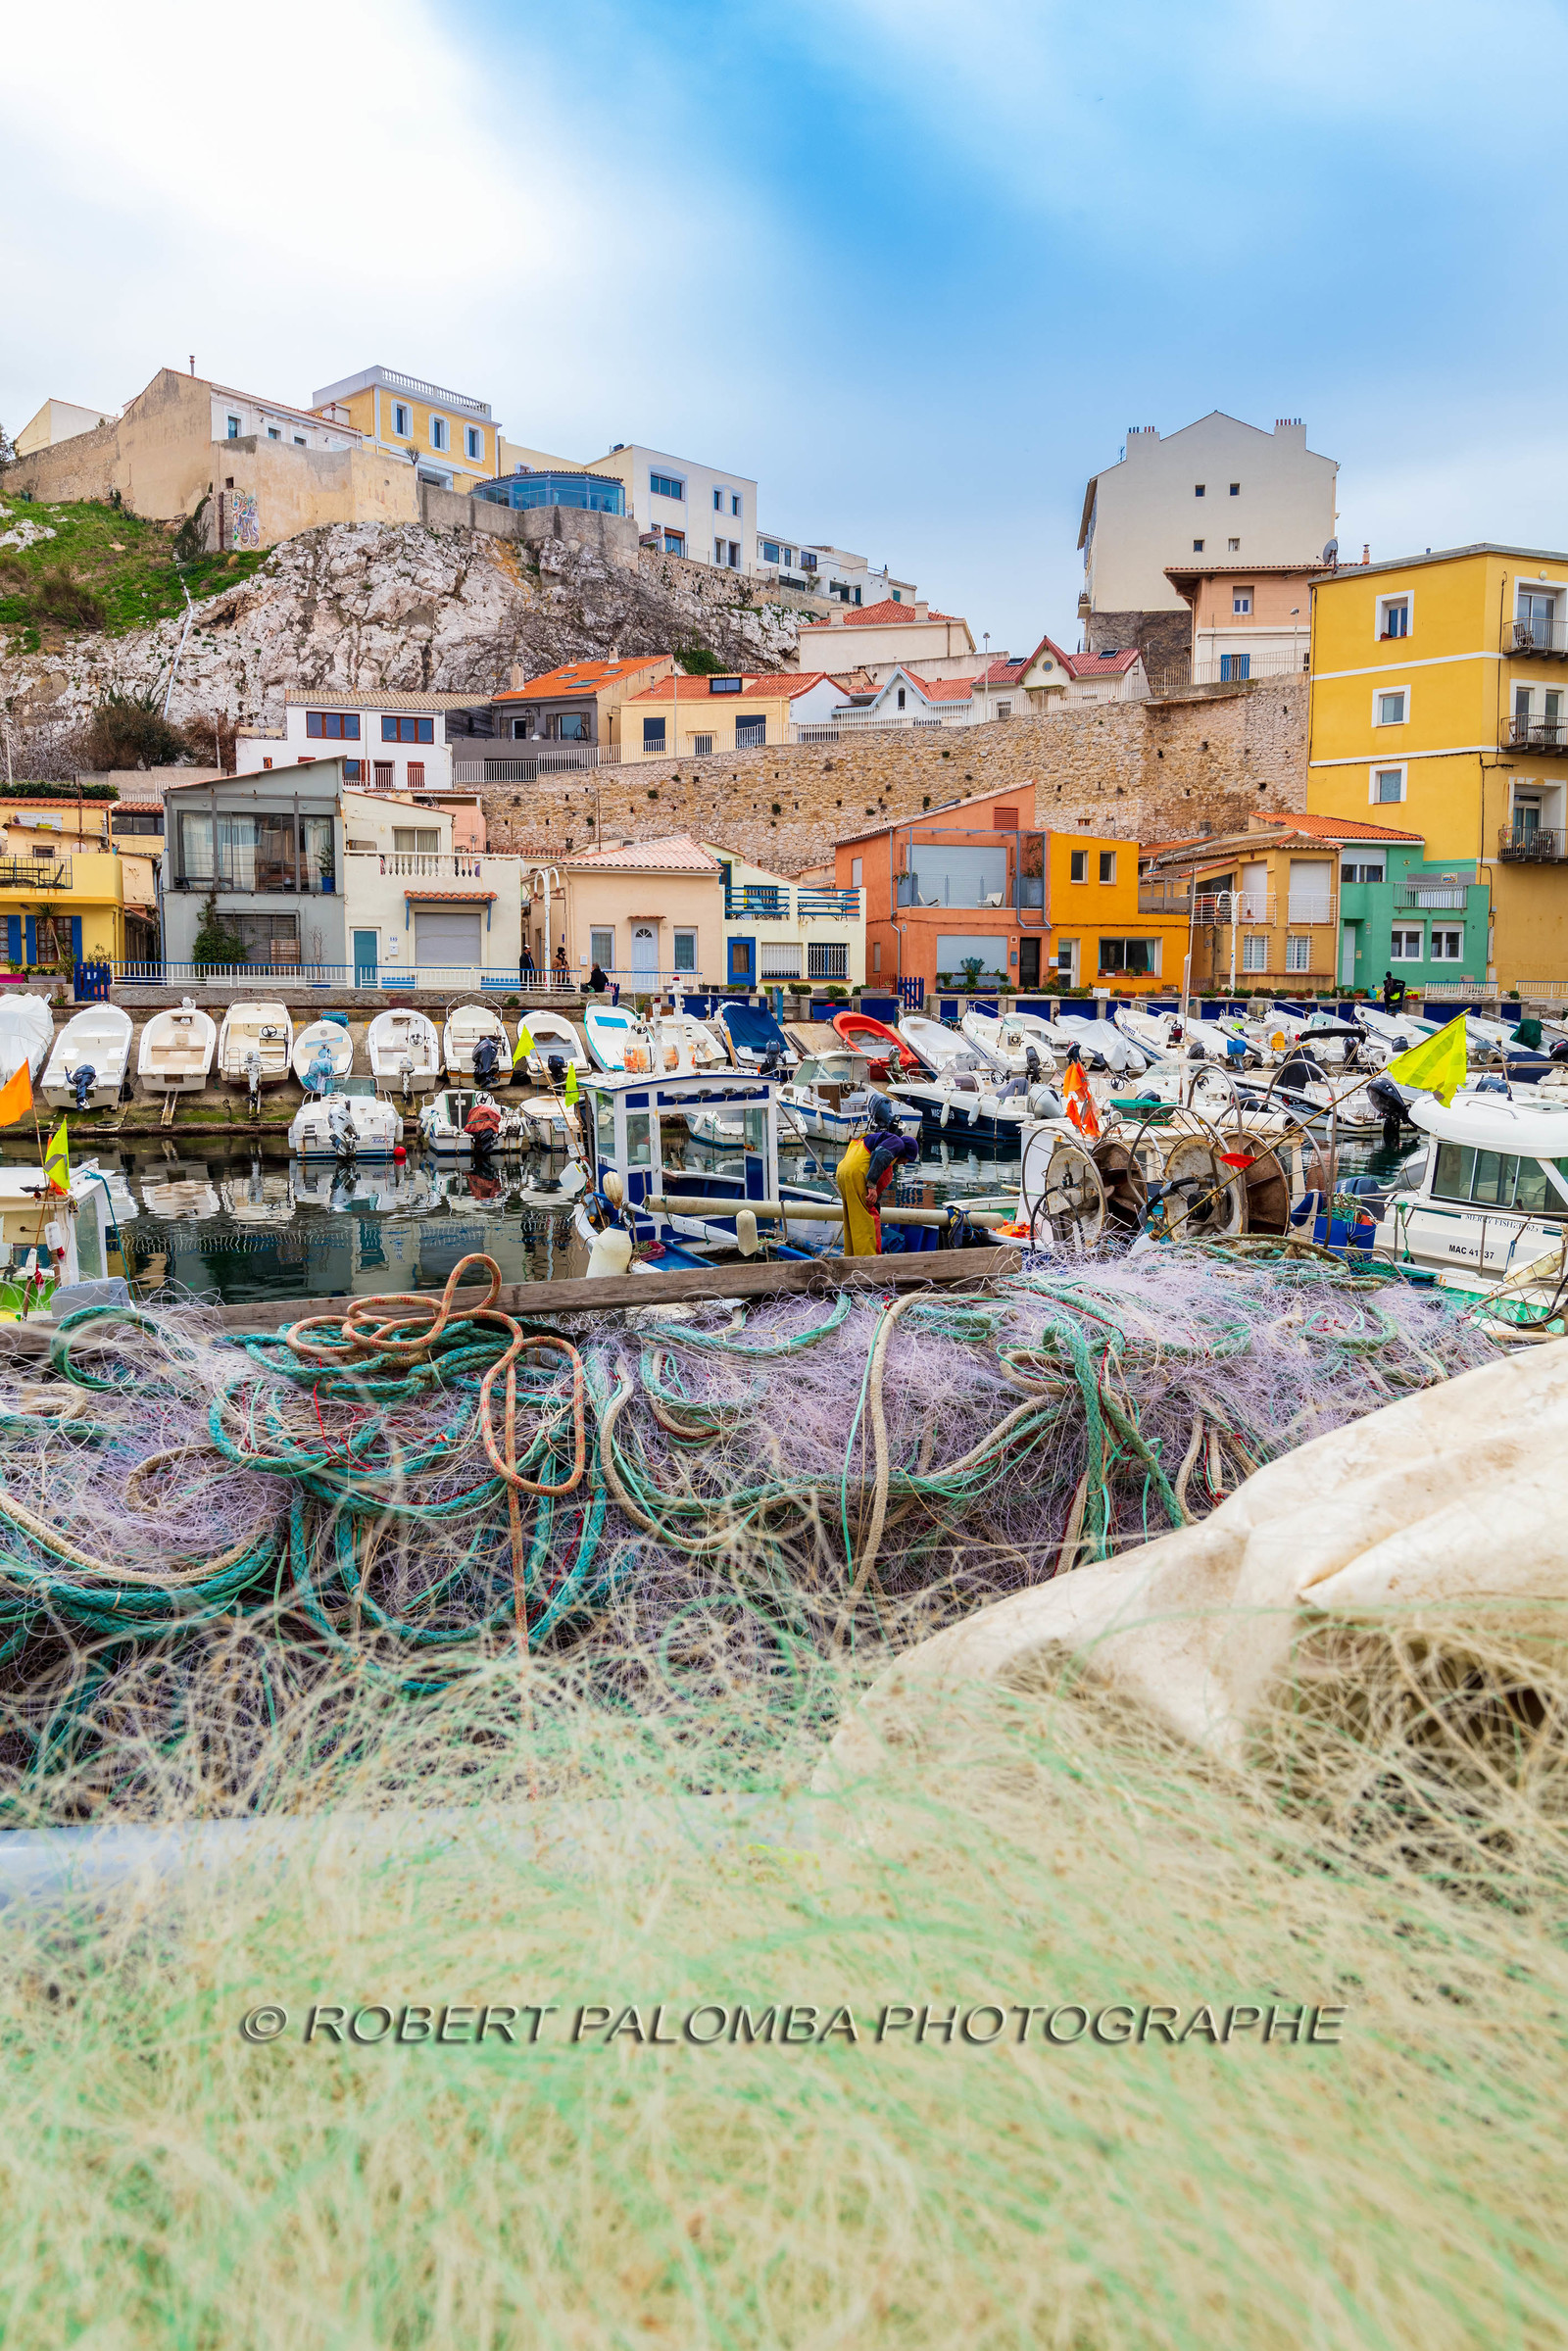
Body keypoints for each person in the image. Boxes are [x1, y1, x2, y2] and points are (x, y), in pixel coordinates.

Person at [835, 1105, 920, 1256]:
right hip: (857, 1173)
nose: (905, 1163)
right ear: (906, 1152)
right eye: (908, 1159)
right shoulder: (897, 1143)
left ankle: (851, 1259)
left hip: (843, 1172)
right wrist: (871, 1185)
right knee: (867, 1224)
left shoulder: (883, 1146)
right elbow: (880, 1154)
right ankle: (867, 1267)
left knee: (853, 1222)